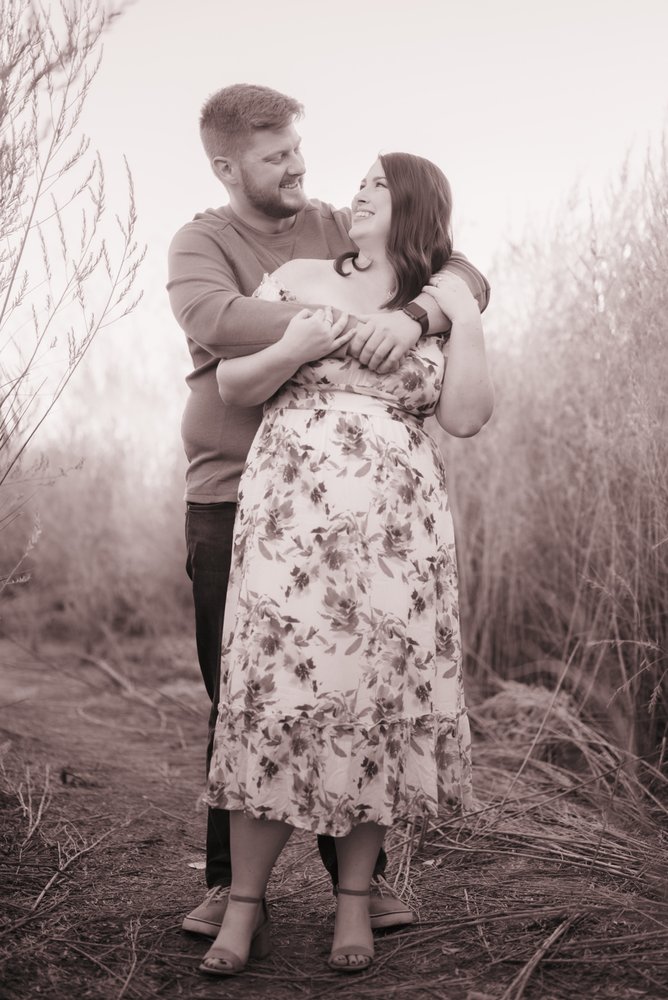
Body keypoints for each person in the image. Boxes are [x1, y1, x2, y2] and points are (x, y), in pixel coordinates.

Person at [167, 84, 490, 949]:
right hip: (238, 491)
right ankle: (231, 888)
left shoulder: (336, 228)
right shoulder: (204, 243)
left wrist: (419, 314)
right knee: (249, 692)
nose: (300, 169)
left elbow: (458, 269)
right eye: (276, 157)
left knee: (360, 690)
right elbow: (217, 321)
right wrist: (343, 324)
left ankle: (359, 888)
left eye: (298, 149)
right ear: (228, 167)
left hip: (386, 523)